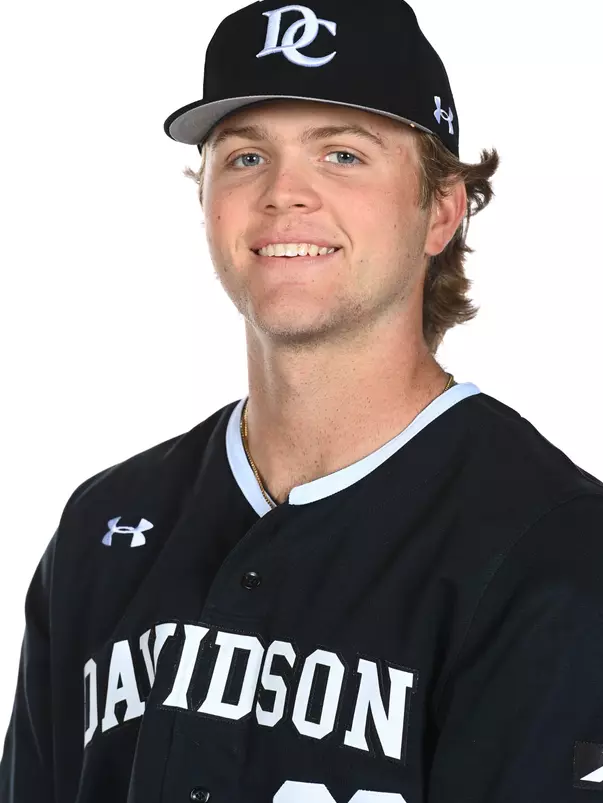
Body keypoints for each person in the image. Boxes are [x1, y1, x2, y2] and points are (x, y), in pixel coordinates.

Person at [2, 0, 603, 801]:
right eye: (246, 156)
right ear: (205, 198)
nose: (284, 193)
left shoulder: (555, 549)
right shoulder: (103, 527)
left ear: (440, 210)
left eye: (342, 154)